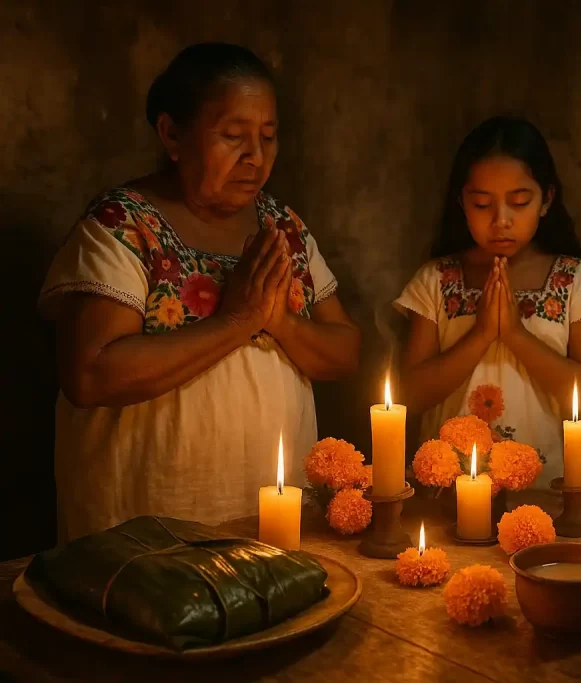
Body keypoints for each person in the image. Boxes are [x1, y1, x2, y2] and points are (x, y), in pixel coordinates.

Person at [39, 43, 361, 540]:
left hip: (269, 522)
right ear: (172, 134)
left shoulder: (283, 228)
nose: (255, 157)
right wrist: (234, 323)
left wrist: (279, 323)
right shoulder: (123, 226)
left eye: (268, 137)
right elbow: (90, 374)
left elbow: (345, 350)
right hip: (147, 529)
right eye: (233, 136)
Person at [395, 116, 581, 486]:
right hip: (448, 490)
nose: (501, 220)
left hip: (543, 489)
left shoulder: (576, 281)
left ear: (546, 200)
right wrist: (482, 335)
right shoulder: (435, 282)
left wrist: (515, 334)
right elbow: (410, 395)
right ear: (461, 203)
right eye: (482, 204)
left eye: (519, 202)